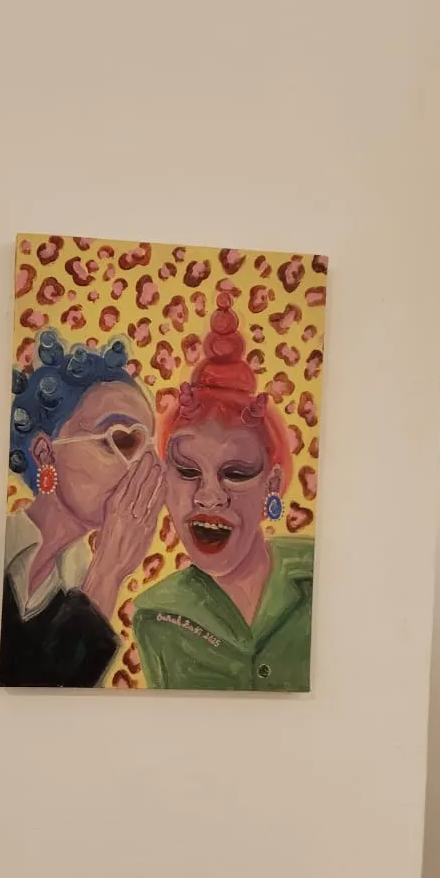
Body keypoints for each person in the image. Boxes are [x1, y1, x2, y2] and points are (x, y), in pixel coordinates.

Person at [132, 293, 314, 691]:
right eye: (187, 470)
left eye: (235, 473)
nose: (209, 496)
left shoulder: (319, 572)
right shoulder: (155, 617)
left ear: (271, 484)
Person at [0, 329, 163, 687]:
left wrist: (106, 571)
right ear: (45, 452)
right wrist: (107, 572)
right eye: (121, 440)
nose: (140, 469)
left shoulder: (79, 576)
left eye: (148, 450)